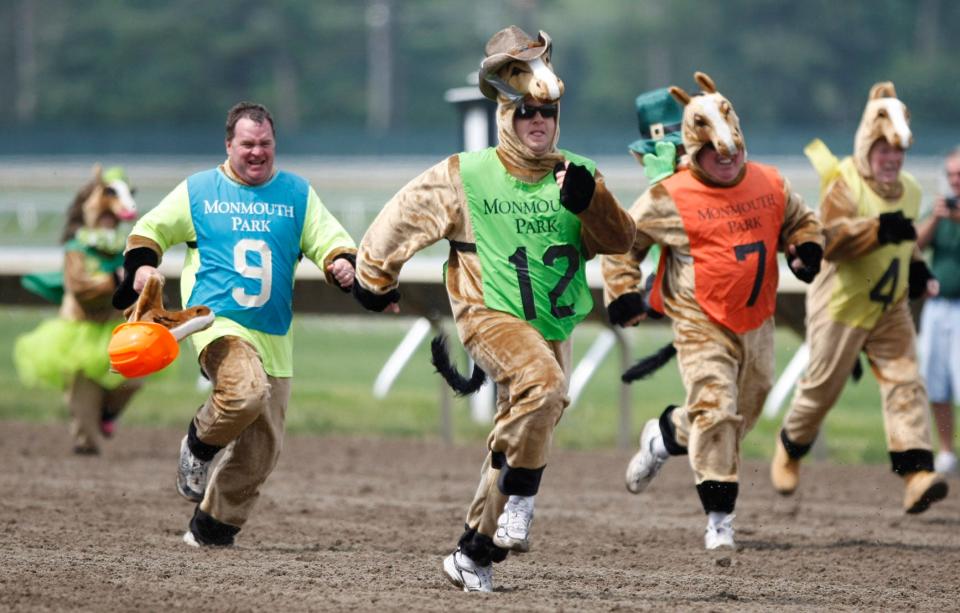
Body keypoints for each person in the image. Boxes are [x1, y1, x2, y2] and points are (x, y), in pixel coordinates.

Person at [351, 26, 635, 592]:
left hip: (551, 323)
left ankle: (472, 550)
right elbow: (399, 220)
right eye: (528, 111)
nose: (539, 122)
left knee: (535, 415)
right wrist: (373, 278)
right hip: (488, 315)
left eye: (548, 113)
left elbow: (621, 238)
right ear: (506, 112)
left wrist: (593, 201)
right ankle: (523, 495)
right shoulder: (467, 173)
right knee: (543, 386)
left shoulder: (577, 173)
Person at [112, 102, 357, 547]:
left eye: (265, 144)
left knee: (262, 452)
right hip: (215, 324)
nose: (257, 152)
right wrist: (144, 268)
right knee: (245, 391)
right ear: (229, 145)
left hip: (274, 335)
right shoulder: (199, 190)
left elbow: (331, 240)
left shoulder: (298, 194)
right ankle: (200, 445)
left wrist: (341, 263)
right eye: (248, 144)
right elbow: (149, 231)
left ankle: (210, 530)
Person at [602, 72, 824, 550]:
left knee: (733, 413)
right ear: (695, 151)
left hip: (757, 320)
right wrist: (621, 290)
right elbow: (624, 241)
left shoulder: (772, 182)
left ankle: (664, 435)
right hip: (701, 321)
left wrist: (807, 247)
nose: (725, 160)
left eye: (731, 151)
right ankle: (720, 520)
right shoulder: (670, 195)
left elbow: (802, 221)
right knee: (717, 411)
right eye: (713, 154)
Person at [770, 82, 949, 514]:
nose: (892, 159)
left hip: (890, 308)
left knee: (907, 385)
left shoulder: (910, 189)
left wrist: (918, 268)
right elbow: (830, 239)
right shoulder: (844, 184)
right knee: (820, 392)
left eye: (898, 151)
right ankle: (790, 448)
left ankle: (915, 475)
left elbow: (904, 242)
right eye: (884, 150)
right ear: (868, 147)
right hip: (842, 308)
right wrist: (877, 229)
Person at [14, 166, 142, 455]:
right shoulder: (77, 249)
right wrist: (113, 280)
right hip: (78, 331)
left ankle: (108, 414)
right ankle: (86, 445)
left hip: (113, 327)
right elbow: (81, 288)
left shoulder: (126, 249)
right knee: (84, 405)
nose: (110, 224)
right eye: (106, 217)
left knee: (133, 378)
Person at [916, 148, 960, 474]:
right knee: (936, 380)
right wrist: (936, 217)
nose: (955, 182)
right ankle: (946, 451)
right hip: (937, 306)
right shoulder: (942, 208)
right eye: (952, 175)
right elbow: (915, 245)